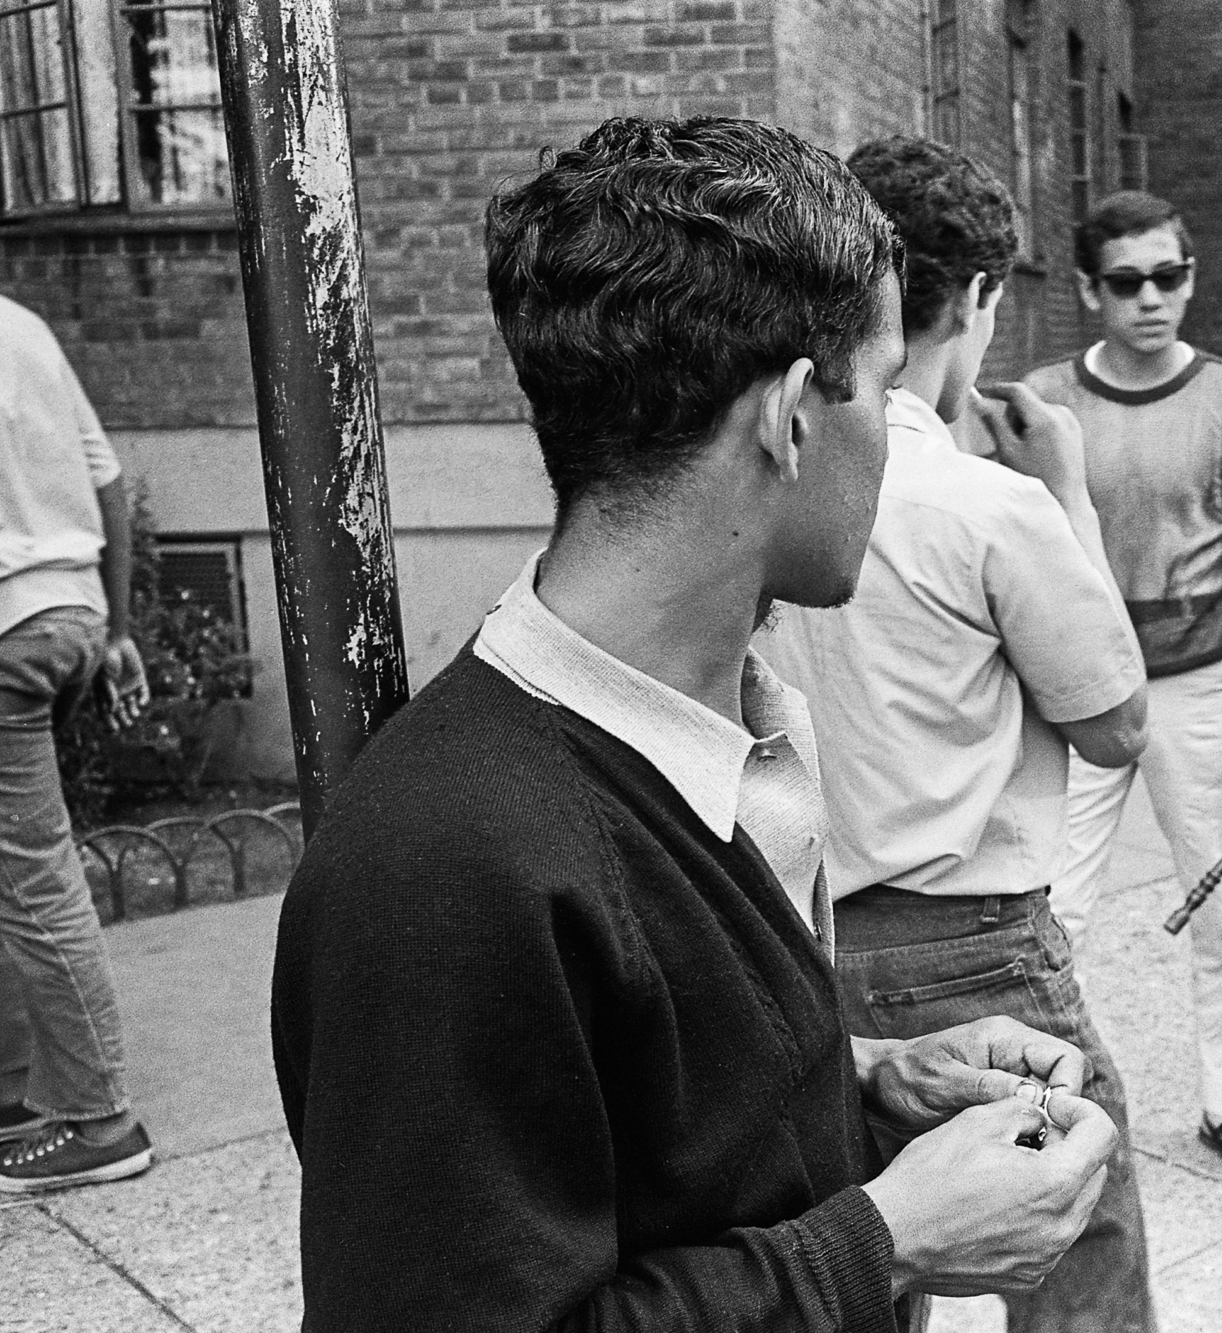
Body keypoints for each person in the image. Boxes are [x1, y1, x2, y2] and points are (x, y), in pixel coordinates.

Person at [270, 116, 1119, 1332]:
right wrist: (886, 1242)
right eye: (880, 390)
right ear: (788, 417)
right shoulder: (447, 864)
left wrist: (871, 1085)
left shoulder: (723, 732)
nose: (893, 435)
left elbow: (651, 1138)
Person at [761, 136, 1156, 1331]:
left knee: (875, 1249)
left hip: (804, 926)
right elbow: (1117, 720)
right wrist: (1070, 494)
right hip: (972, 941)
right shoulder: (990, 503)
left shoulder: (770, 472)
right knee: (1087, 1233)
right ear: (978, 297)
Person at [1026, 192, 1222, 1189]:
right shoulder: (1036, 406)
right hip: (1072, 695)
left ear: (1190, 275)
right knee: (1040, 911)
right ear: (1087, 290)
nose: (1150, 299)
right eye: (1125, 282)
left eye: (1169, 276)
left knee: (1220, 909)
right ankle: (1032, 1110)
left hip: (1199, 686)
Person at [0, 295, 154, 1194]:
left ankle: (99, 1119)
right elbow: (107, 480)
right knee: (17, 867)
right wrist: (120, 628)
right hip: (69, 615)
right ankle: (22, 1089)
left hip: (8, 630)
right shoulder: (22, 326)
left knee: (33, 875)